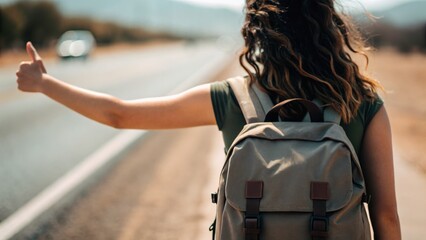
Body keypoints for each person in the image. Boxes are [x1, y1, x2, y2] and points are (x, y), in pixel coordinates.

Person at [16, 0, 401, 239]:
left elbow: (120, 114)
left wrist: (46, 85)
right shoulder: (362, 102)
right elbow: (385, 216)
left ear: (258, 32)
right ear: (329, 26)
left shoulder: (232, 99)